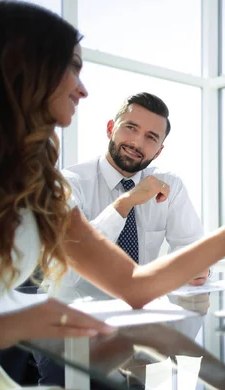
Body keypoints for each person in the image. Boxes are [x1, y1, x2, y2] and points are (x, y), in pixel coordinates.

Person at [0, 2, 225, 390]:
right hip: (14, 352)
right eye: (71, 67)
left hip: (36, 354)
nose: (82, 88)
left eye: (151, 137)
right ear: (26, 69)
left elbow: (134, 285)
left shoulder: (42, 185)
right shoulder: (72, 180)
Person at [54, 92, 208, 299]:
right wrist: (125, 203)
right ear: (111, 129)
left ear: (158, 151)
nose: (137, 142)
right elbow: (64, 273)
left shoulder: (171, 186)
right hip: (82, 315)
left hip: (146, 311)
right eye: (131, 128)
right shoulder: (70, 183)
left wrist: (197, 266)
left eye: (151, 137)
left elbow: (191, 246)